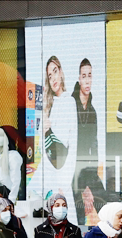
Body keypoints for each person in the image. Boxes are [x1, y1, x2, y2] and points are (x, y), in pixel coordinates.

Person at [27, 56, 78, 223]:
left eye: (55, 71)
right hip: (50, 171)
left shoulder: (69, 101)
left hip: (62, 172)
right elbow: (44, 147)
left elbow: (72, 144)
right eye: (49, 75)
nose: (53, 78)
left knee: (66, 219)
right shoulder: (49, 105)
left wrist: (65, 179)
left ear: (61, 72)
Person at [0, 126, 23, 199]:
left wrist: (11, 199)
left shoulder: (13, 156)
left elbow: (16, 179)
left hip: (4, 191)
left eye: (1, 136)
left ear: (8, 138)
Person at [72, 58, 98, 159]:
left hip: (84, 167)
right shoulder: (71, 105)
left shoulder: (92, 112)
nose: (87, 81)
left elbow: (94, 144)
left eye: (89, 76)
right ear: (79, 80)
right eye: (84, 76)